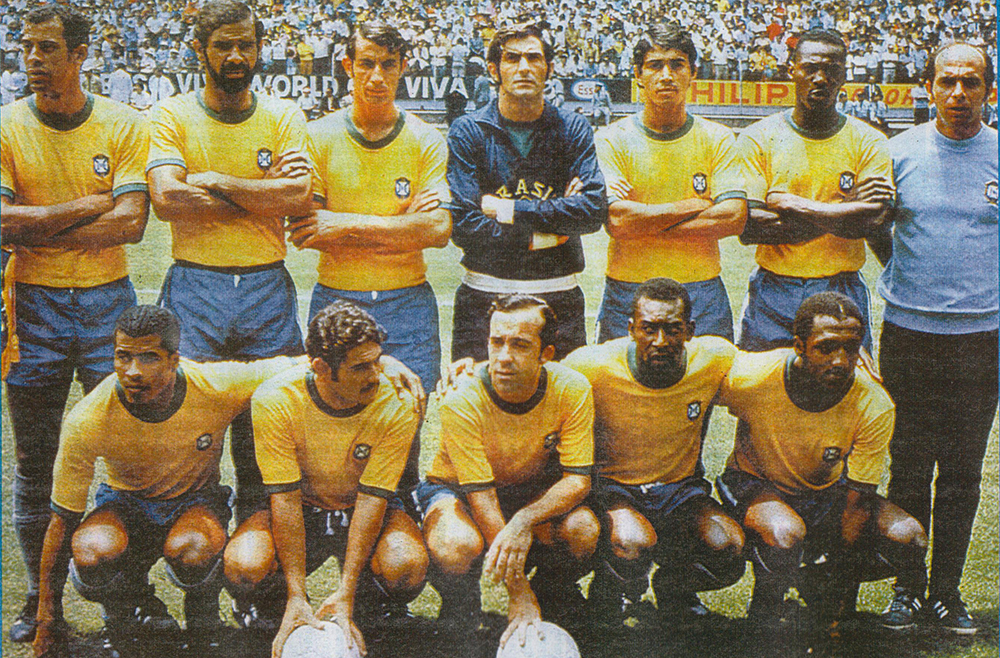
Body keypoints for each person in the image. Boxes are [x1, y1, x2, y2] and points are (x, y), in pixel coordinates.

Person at [1, 4, 149, 643]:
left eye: (47, 48)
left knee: (126, 455)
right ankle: (41, 601)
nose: (33, 59)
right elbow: (1, 224)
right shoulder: (7, 125)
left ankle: (126, 601)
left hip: (107, 306)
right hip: (32, 306)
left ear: (80, 54)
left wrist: (39, 224)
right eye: (26, 47)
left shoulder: (121, 123)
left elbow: (132, 223)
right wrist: (89, 205)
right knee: (35, 457)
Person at [28, 306, 300, 655]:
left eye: (149, 358)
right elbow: (61, 521)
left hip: (196, 502)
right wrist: (46, 618)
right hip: (125, 503)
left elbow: (299, 366)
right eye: (123, 357)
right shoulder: (88, 418)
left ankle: (203, 624)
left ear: (174, 360)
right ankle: (128, 616)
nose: (133, 371)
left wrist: (370, 361)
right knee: (92, 549)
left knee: (193, 546)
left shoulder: (214, 384)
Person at [146, 0, 312, 529]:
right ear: (200, 50)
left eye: (246, 45)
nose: (236, 56)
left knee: (268, 432)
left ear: (259, 49)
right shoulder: (172, 114)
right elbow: (168, 199)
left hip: (266, 285)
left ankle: (254, 567)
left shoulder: (283, 114)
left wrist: (217, 181)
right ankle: (199, 562)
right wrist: (262, 195)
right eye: (223, 46)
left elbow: (298, 196)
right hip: (196, 284)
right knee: (192, 432)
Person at [223, 301, 428, 657]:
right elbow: (285, 500)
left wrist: (346, 593)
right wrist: (296, 594)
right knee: (245, 564)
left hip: (363, 504)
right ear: (320, 367)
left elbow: (373, 500)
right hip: (302, 505)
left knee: (405, 565)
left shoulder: (397, 400)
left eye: (377, 361)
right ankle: (273, 605)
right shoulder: (276, 399)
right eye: (360, 367)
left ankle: (372, 604)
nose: (375, 375)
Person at [715, 292, 928, 635]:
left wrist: (839, 597)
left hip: (824, 492)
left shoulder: (874, 403)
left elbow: (858, 502)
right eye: (826, 348)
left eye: (851, 347)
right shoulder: (753, 376)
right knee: (784, 533)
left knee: (909, 538)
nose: (840, 360)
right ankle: (765, 613)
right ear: (799, 346)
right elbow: (689, 391)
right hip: (755, 484)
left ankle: (814, 581)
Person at [876, 42, 998, 635]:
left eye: (971, 83)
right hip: (910, 335)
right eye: (947, 81)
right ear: (927, 87)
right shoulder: (897, 153)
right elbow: (879, 231)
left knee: (962, 473)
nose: (958, 94)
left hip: (982, 340)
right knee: (908, 465)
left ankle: (947, 592)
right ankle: (906, 589)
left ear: (989, 91)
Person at [415, 295, 598, 647]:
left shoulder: (572, 387)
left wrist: (524, 520)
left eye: (520, 345)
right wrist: (518, 591)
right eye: (496, 342)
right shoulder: (461, 396)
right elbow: (481, 498)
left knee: (583, 529)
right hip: (459, 491)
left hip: (527, 490)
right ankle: (460, 602)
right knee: (455, 545)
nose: (503, 356)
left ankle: (553, 592)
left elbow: (578, 481)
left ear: (546, 353)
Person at [562, 278, 745, 629]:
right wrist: (468, 371)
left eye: (672, 329)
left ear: (690, 330)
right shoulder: (591, 366)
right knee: (631, 541)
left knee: (728, 546)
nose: (660, 341)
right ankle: (608, 593)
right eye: (649, 329)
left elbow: (769, 375)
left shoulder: (714, 359)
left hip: (680, 492)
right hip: (615, 490)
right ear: (631, 328)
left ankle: (673, 590)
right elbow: (543, 384)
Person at [447, 22, 606, 363]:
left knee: (562, 393)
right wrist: (549, 234)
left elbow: (592, 210)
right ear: (494, 70)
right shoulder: (468, 130)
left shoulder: (573, 127)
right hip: (484, 292)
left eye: (534, 58)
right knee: (478, 394)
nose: (524, 67)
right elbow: (464, 225)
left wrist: (505, 210)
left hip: (558, 292)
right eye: (512, 58)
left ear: (549, 68)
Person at [736, 29, 895, 353]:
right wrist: (847, 208)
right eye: (810, 68)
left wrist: (793, 205)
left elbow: (873, 222)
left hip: (841, 290)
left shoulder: (869, 140)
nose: (820, 78)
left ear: (844, 75)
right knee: (764, 382)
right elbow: (751, 228)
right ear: (791, 70)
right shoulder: (757, 138)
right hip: (774, 288)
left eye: (831, 69)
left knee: (843, 382)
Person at [594, 24, 746, 344]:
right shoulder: (611, 139)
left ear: (693, 73)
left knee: (709, 374)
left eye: (677, 65)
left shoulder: (717, 138)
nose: (666, 75)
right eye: (655, 65)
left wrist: (644, 222)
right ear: (638, 74)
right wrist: (691, 206)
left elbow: (733, 217)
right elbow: (617, 221)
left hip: (701, 289)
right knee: (623, 375)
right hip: (629, 289)